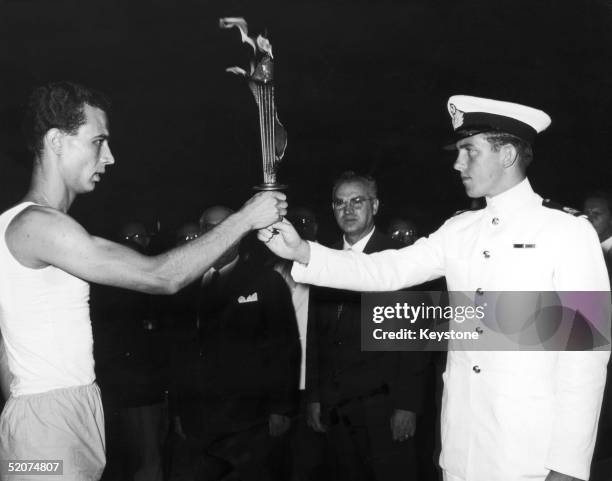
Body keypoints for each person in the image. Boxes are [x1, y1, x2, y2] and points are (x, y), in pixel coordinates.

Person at [259, 95, 611, 481]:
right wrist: (303, 251)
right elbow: (386, 270)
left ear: (507, 153)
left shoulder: (567, 232)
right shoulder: (458, 230)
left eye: (468, 151)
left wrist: (567, 466)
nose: (457, 164)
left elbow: (586, 360)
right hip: (462, 449)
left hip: (529, 456)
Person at [0, 81, 286, 480]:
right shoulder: (38, 226)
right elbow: (161, 276)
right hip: (49, 422)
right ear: (57, 141)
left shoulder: (36, 227)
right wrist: (245, 218)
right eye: (98, 141)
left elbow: (6, 354)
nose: (110, 157)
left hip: (57, 413)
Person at [305, 171, 428, 481]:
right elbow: (316, 336)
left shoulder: (400, 258)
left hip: (384, 407)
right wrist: (315, 396)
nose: (348, 210)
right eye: (340, 203)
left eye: (357, 201)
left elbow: (414, 342)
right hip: (336, 406)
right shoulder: (323, 257)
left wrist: (407, 406)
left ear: (375, 205)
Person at [173, 205, 300, 481]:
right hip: (200, 416)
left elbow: (284, 348)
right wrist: (180, 410)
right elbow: (180, 354)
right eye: (209, 227)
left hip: (249, 419)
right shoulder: (185, 283)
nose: (218, 233)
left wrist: (281, 409)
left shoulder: (265, 280)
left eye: (225, 225)